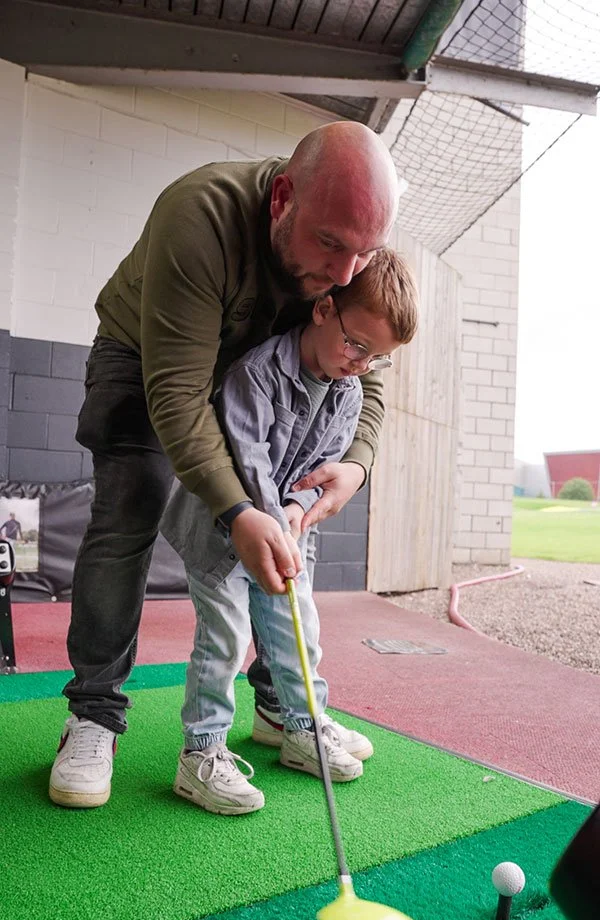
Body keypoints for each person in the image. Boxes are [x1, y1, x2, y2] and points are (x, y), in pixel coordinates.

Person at [48, 121, 400, 809]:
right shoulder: (199, 215)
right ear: (282, 201)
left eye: (365, 253)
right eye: (330, 245)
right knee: (132, 502)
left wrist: (355, 464)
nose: (343, 274)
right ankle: (93, 714)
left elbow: (371, 368)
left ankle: (281, 710)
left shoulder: (345, 253)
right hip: (147, 357)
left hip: (251, 371)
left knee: (293, 514)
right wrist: (236, 512)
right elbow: (177, 396)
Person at [161, 249, 418, 814]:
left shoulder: (350, 392)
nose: (360, 363)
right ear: (323, 309)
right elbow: (247, 460)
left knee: (299, 629)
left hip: (283, 531)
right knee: (224, 638)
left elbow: (321, 466)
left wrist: (300, 510)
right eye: (356, 344)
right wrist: (283, 518)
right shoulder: (257, 372)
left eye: (377, 357)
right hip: (220, 531)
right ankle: (200, 755)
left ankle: (301, 728)